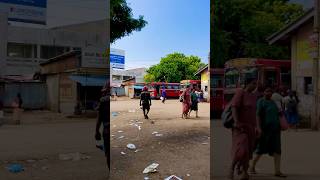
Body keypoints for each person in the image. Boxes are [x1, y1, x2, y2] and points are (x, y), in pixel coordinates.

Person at [250, 87, 286, 178]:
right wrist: (258, 128)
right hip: (265, 129)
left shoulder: (274, 102)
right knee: (261, 149)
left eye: (270, 91)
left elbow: (279, 113)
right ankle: (252, 167)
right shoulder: (261, 102)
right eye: (267, 91)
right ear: (263, 92)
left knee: (277, 149)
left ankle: (277, 171)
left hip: (276, 129)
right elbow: (257, 115)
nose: (269, 93)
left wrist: (282, 123)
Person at [229, 78, 259, 180]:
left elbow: (255, 113)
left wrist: (257, 127)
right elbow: (234, 107)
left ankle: (244, 172)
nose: (255, 86)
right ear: (247, 84)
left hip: (251, 128)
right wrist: (236, 121)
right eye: (253, 83)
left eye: (256, 84)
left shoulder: (254, 96)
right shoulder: (240, 92)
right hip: (240, 128)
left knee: (248, 152)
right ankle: (232, 168)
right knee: (241, 150)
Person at [95, 85, 110, 174]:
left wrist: (96, 131)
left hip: (107, 130)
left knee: (108, 154)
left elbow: (99, 118)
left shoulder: (103, 100)